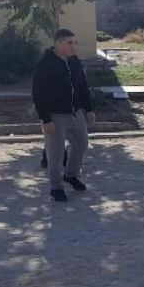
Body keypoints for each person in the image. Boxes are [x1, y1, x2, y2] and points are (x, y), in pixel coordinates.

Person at [32, 28, 95, 202]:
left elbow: (82, 86)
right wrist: (46, 119)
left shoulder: (74, 61)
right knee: (55, 154)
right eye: (69, 43)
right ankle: (56, 188)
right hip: (55, 116)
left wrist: (88, 109)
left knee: (81, 143)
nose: (73, 46)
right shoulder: (45, 64)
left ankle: (71, 175)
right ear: (58, 43)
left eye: (74, 42)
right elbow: (38, 93)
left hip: (75, 113)